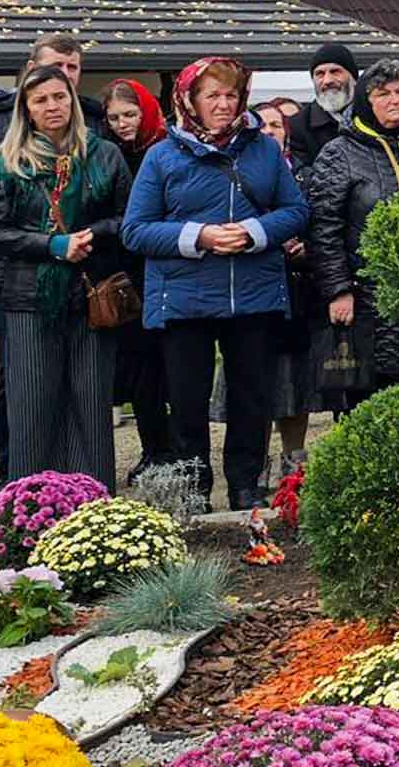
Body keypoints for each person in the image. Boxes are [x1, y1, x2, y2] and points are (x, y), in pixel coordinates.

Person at [122, 58, 309, 509]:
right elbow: (136, 229)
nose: (223, 105)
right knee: (187, 402)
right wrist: (198, 236)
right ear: (190, 100)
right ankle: (194, 491)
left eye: (230, 96)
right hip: (184, 297)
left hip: (253, 292)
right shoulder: (162, 155)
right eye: (213, 96)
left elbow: (296, 210)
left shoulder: (263, 150)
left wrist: (253, 233)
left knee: (252, 397)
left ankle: (245, 486)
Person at [0, 33, 108, 478]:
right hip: (14, 276)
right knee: (24, 390)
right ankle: (17, 485)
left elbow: (121, 208)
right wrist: (51, 234)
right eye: (54, 67)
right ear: (28, 73)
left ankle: (84, 484)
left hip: (85, 279)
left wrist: (86, 235)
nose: (63, 79)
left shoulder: (97, 131)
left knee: (85, 390)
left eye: (72, 70)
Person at [0, 64, 130, 483]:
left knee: (90, 406)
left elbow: (128, 219)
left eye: (59, 97)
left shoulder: (104, 154)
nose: (52, 106)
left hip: (91, 295)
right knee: (32, 411)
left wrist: (90, 236)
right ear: (26, 109)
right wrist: (53, 246)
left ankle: (92, 503)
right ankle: (30, 509)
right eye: (41, 99)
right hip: (29, 299)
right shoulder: (7, 162)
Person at [304, 59, 399, 391]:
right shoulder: (339, 153)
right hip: (370, 300)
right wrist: (338, 290)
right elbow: (323, 228)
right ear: (365, 101)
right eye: (383, 94)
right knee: (379, 393)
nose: (395, 100)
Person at [101, 78, 171, 483]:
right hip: (126, 273)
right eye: (114, 118)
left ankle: (176, 446)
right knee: (142, 368)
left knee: (171, 366)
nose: (123, 124)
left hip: (164, 266)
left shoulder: (164, 148)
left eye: (130, 115)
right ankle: (154, 448)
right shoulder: (110, 155)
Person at [287, 44, 357, 169]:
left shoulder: (374, 115)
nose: (327, 81)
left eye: (335, 72)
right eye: (320, 74)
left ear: (353, 78)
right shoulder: (297, 126)